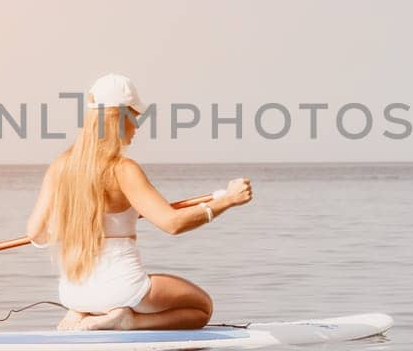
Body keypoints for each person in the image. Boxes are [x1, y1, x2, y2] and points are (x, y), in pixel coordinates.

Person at [25, 73, 252, 331]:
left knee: (101, 293)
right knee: (200, 308)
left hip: (73, 293)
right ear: (119, 119)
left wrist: (66, 225)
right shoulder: (123, 170)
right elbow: (172, 223)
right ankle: (129, 320)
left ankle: (81, 315)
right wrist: (228, 200)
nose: (138, 126)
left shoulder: (61, 166)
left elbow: (35, 233)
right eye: (134, 117)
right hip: (122, 290)